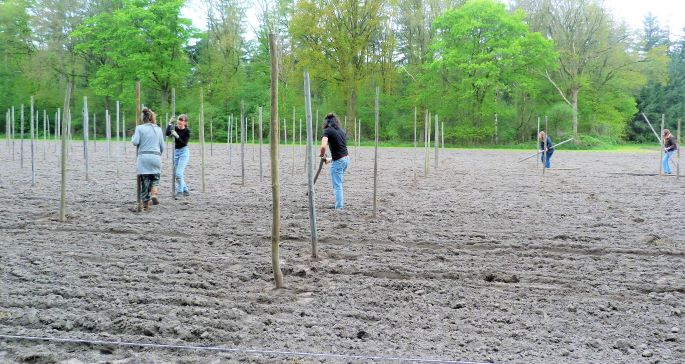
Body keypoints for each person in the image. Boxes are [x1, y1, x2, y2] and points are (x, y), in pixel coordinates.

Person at [132, 108, 164, 211]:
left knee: (144, 182)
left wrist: (133, 135)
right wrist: (158, 155)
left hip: (144, 157)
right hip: (156, 156)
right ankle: (154, 193)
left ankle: (145, 203)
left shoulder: (139, 128)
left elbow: (135, 142)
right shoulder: (158, 129)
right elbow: (162, 146)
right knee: (155, 178)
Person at [319, 112, 349, 209]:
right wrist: (330, 159)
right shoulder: (341, 131)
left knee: (337, 185)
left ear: (326, 122)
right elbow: (340, 149)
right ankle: (338, 203)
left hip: (339, 161)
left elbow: (323, 146)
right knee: (338, 183)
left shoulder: (327, 131)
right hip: (346, 159)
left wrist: (322, 155)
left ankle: (339, 207)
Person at [166, 114, 191, 198]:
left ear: (185, 122)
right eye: (178, 121)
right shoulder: (175, 128)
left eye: (181, 121)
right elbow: (166, 133)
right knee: (177, 174)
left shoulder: (187, 131)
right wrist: (170, 124)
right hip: (176, 152)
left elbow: (183, 143)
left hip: (184, 152)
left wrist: (176, 136)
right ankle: (185, 190)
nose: (179, 123)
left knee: (178, 174)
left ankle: (180, 192)